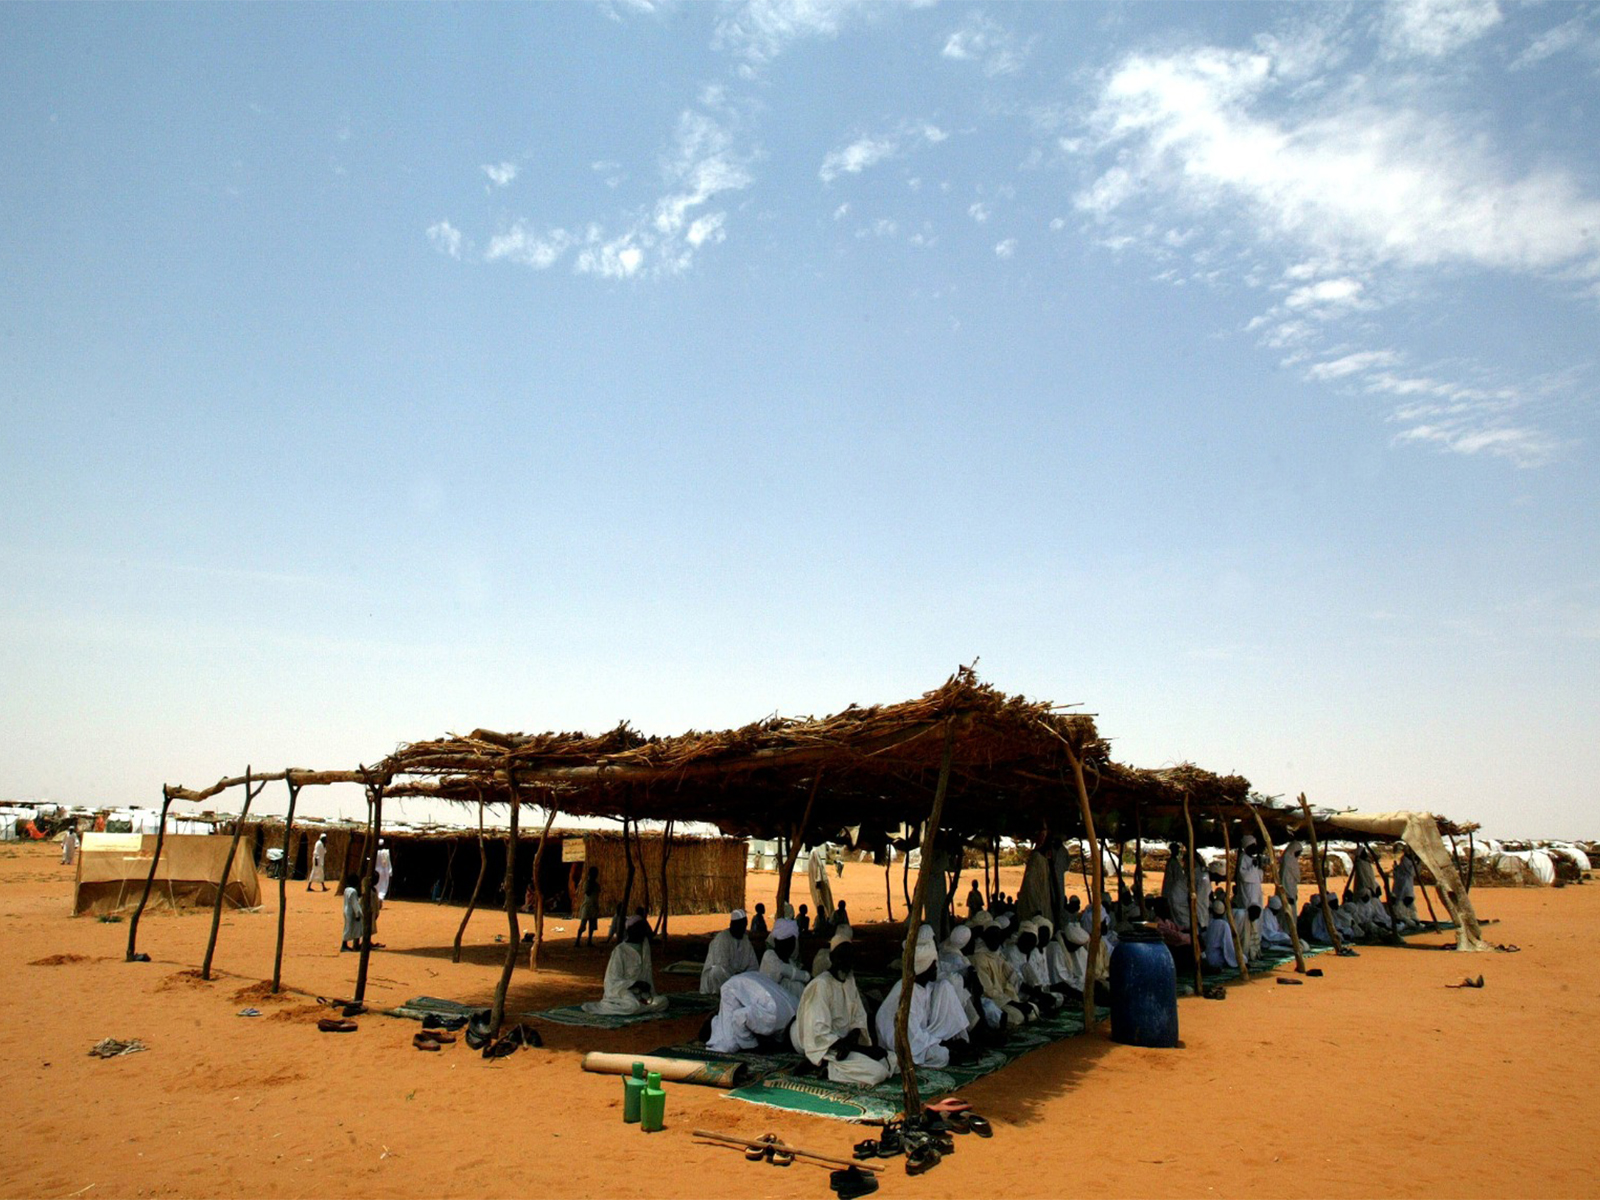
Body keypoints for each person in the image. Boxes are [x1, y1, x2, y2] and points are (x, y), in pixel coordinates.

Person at [791, 935, 891, 1085]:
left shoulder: (850, 981)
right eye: (841, 957)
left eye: (849, 957)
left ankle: (833, 1066)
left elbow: (858, 1017)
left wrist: (853, 1041)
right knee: (879, 1072)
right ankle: (828, 1067)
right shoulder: (821, 985)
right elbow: (818, 1031)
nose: (845, 962)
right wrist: (856, 1049)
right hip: (818, 1044)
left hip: (843, 1044)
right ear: (832, 958)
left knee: (890, 1060)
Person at [874, 926, 970, 1069]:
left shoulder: (926, 987)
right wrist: (942, 1044)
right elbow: (911, 1036)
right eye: (933, 966)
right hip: (902, 1042)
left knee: (945, 986)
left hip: (922, 1038)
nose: (936, 969)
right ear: (923, 968)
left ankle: (954, 1042)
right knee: (941, 1055)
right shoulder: (907, 992)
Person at [583, 916, 668, 1015]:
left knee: (663, 1001)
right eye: (639, 929)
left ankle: (641, 1007)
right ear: (630, 930)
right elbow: (612, 980)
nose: (643, 932)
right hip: (622, 991)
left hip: (641, 993)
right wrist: (634, 984)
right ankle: (635, 1007)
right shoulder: (620, 951)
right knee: (632, 1006)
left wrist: (645, 987)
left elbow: (647, 972)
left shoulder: (645, 947)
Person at [707, 967, 799, 1053]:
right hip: (733, 987)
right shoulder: (772, 1020)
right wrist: (752, 1045)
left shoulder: (797, 1007)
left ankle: (718, 1020)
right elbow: (741, 1016)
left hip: (754, 978)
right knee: (729, 1043)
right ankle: (713, 1024)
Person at [972, 922, 1033, 1027]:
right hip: (993, 1001)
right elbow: (988, 991)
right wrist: (1015, 1003)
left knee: (1032, 1010)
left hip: (1005, 998)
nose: (995, 940)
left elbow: (1011, 977)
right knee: (1017, 1017)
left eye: (997, 937)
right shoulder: (979, 958)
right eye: (992, 937)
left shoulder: (998, 955)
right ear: (985, 937)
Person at [699, 909, 759, 994]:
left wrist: (745, 975)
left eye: (744, 926)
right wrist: (737, 977)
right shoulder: (722, 938)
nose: (742, 929)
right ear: (732, 925)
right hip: (719, 980)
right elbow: (722, 966)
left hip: (738, 979)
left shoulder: (745, 940)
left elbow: (753, 966)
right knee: (717, 971)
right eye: (740, 926)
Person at [759, 917, 810, 1001]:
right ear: (776, 942)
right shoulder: (769, 956)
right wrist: (807, 977)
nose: (788, 947)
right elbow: (785, 970)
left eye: (791, 944)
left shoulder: (790, 961)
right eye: (785, 944)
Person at [1160, 842, 1192, 931]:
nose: (1177, 852)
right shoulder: (1172, 863)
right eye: (1176, 850)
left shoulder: (1174, 862)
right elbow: (1175, 879)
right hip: (1172, 892)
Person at [1202, 898, 1238, 971]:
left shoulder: (1209, 922)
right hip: (1217, 958)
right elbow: (1228, 946)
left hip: (1207, 956)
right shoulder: (1224, 925)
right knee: (1243, 958)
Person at [807, 847, 835, 931]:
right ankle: (823, 919)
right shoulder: (811, 853)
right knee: (818, 901)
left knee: (822, 901)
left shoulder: (814, 852)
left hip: (818, 883)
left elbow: (818, 867)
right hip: (815, 882)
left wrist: (818, 880)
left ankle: (827, 919)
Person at [576, 867, 600, 947]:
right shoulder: (587, 883)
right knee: (583, 924)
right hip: (587, 905)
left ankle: (589, 940)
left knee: (592, 926)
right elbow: (588, 892)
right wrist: (592, 883)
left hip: (593, 905)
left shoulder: (596, 884)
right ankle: (577, 940)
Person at [1279, 840, 1303, 912]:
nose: (1298, 854)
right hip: (1287, 888)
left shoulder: (1291, 859)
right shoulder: (1289, 859)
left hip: (1291, 888)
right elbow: (1295, 876)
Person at [340, 879, 363, 952]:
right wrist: (357, 914)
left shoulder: (346, 889)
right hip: (351, 912)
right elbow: (354, 903)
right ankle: (344, 946)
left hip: (346, 910)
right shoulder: (353, 891)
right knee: (350, 928)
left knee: (347, 927)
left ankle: (346, 945)